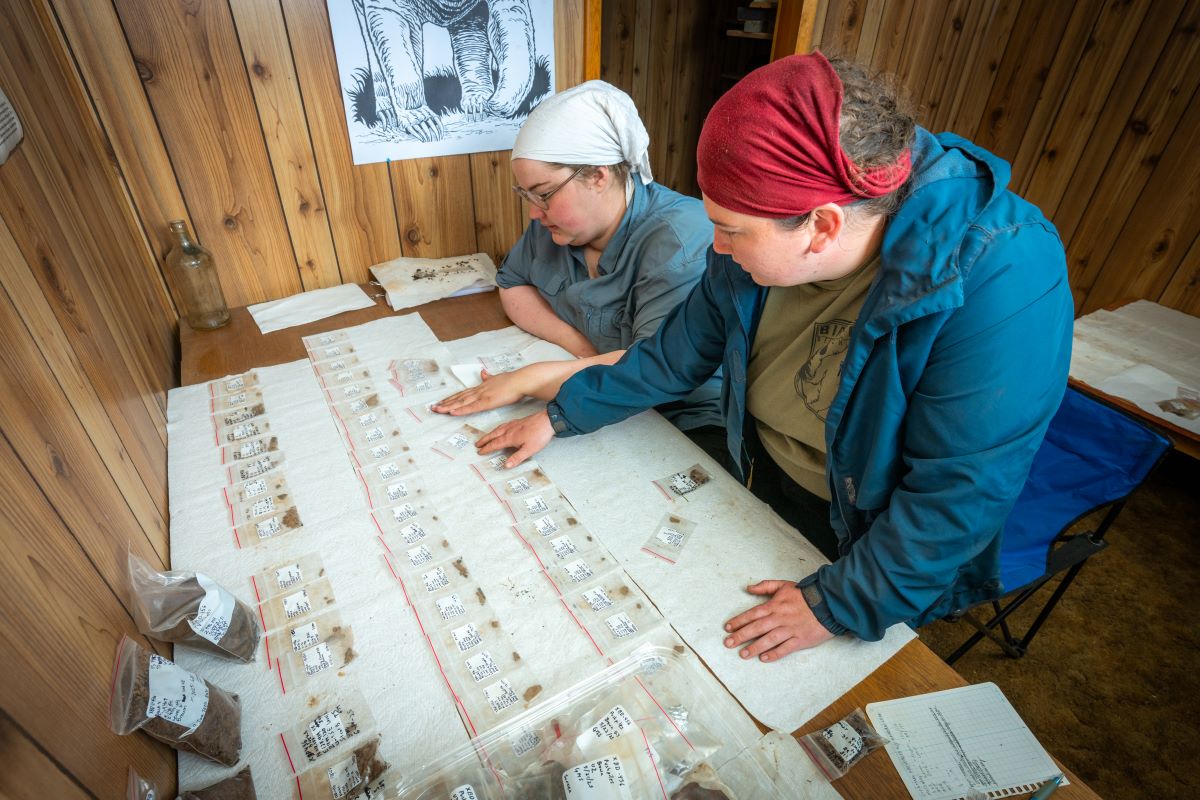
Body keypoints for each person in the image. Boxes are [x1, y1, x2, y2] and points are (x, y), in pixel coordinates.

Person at [464, 53, 1075, 663]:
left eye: (731, 230)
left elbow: (959, 493)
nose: (718, 247)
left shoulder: (1000, 271)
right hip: (761, 474)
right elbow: (674, 356)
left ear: (822, 227)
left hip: (871, 534)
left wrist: (838, 602)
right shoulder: (751, 237)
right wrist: (564, 412)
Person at [434, 81, 725, 456]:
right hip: (584, 391)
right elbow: (512, 284)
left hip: (681, 420)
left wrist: (527, 379)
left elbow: (655, 364)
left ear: (598, 176)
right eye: (526, 196)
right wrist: (577, 346)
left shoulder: (679, 240)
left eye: (543, 193)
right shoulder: (559, 227)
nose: (534, 213)